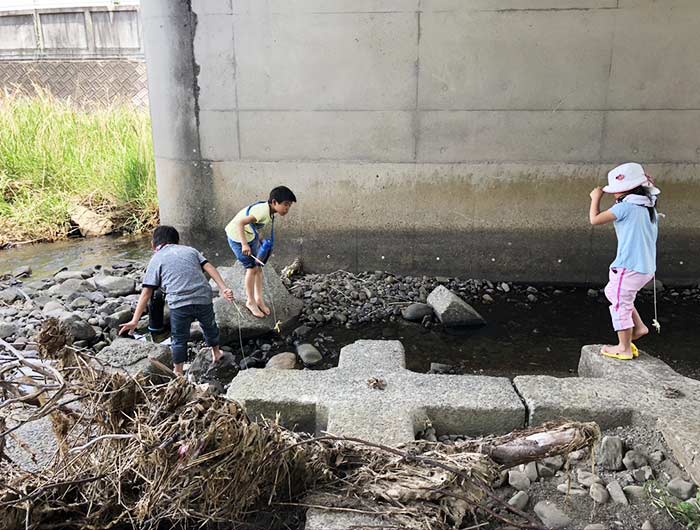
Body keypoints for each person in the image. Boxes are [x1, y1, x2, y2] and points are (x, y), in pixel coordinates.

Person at [119, 225, 234, 376]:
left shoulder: (156, 258)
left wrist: (135, 320)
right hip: (202, 298)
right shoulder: (190, 250)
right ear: (177, 241)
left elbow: (147, 292)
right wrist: (223, 288)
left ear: (153, 244)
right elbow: (210, 268)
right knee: (209, 327)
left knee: (179, 339)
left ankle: (178, 372)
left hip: (179, 304)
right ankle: (216, 352)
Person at [589, 162, 660, 360]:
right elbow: (652, 190)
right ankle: (639, 328)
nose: (614, 194)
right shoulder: (649, 203)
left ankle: (624, 347)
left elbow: (594, 219)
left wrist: (596, 198)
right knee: (614, 292)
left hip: (629, 266)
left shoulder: (625, 208)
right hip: (646, 267)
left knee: (620, 305)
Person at [225, 186, 296, 318]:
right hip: (237, 238)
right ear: (274, 202)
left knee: (259, 268)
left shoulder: (270, 211)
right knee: (251, 268)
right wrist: (244, 244)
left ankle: (259, 299)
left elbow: (253, 223)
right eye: (286, 204)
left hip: (249, 236)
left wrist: (258, 236)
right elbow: (240, 223)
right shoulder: (263, 211)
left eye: (289, 206)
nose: (287, 208)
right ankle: (250, 302)